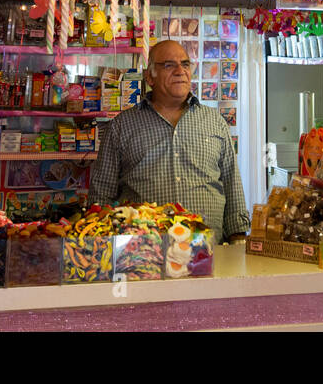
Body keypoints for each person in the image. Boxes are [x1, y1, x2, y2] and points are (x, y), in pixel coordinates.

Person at [89, 39, 249, 242]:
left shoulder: (215, 121)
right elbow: (101, 194)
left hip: (209, 252)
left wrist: (238, 239)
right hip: (143, 254)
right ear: (150, 78)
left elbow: (231, 183)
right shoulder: (122, 126)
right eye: (168, 65)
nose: (180, 71)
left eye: (185, 64)